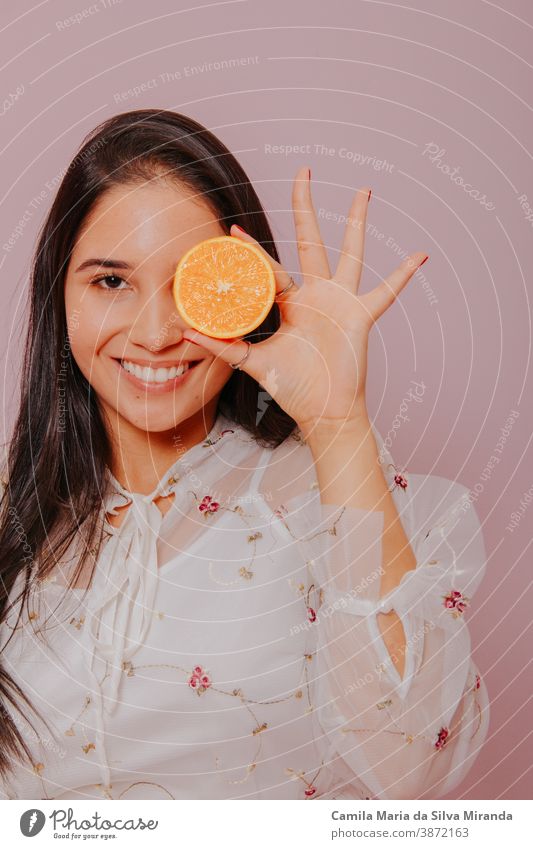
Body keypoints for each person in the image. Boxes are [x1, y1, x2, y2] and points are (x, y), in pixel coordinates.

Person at [0, 109, 488, 800]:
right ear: (61, 294)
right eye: (112, 281)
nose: (155, 333)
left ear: (248, 290)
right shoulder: (13, 508)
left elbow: (415, 764)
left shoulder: (318, 483)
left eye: (192, 284)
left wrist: (338, 422)